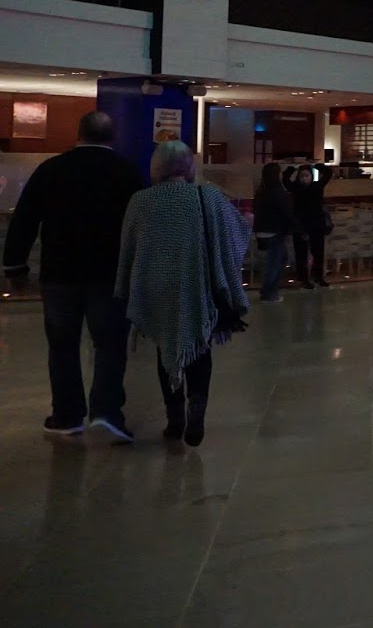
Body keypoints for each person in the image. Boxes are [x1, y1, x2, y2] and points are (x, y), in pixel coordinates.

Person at [2, 111, 142, 440]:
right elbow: (141, 225)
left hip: (59, 274)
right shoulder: (126, 172)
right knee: (109, 344)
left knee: (62, 345)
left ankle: (67, 415)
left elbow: (25, 220)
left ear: (78, 134)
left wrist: (15, 266)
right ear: (113, 137)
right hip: (109, 275)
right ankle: (107, 411)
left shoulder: (52, 169)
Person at [116, 141, 250, 447]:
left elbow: (129, 249)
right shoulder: (208, 197)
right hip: (198, 287)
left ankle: (174, 419)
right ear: (189, 165)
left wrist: (127, 287)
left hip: (157, 290)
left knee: (166, 347)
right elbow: (239, 230)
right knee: (200, 348)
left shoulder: (140, 201)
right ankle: (197, 408)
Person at [251, 163, 293, 301]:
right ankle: (268, 293)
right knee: (275, 264)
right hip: (275, 231)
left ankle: (269, 291)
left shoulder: (261, 191)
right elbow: (286, 212)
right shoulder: (278, 192)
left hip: (262, 231)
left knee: (277, 261)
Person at [286, 161, 331, 288]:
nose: (304, 178)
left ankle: (316, 277)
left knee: (317, 252)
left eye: (307, 175)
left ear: (311, 176)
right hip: (302, 225)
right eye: (302, 176)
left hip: (314, 225)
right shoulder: (298, 188)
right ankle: (305, 278)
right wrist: (315, 166)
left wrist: (294, 168)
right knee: (302, 253)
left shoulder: (314, 187)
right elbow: (285, 179)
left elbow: (328, 174)